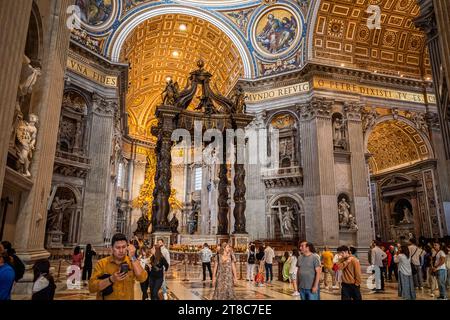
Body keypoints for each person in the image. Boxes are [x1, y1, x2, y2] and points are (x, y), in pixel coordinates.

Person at [89, 233, 148, 300]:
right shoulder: (102, 263)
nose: (121, 251)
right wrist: (111, 279)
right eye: (118, 247)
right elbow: (92, 287)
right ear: (112, 248)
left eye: (124, 247)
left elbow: (142, 278)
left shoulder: (131, 262)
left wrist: (133, 257)